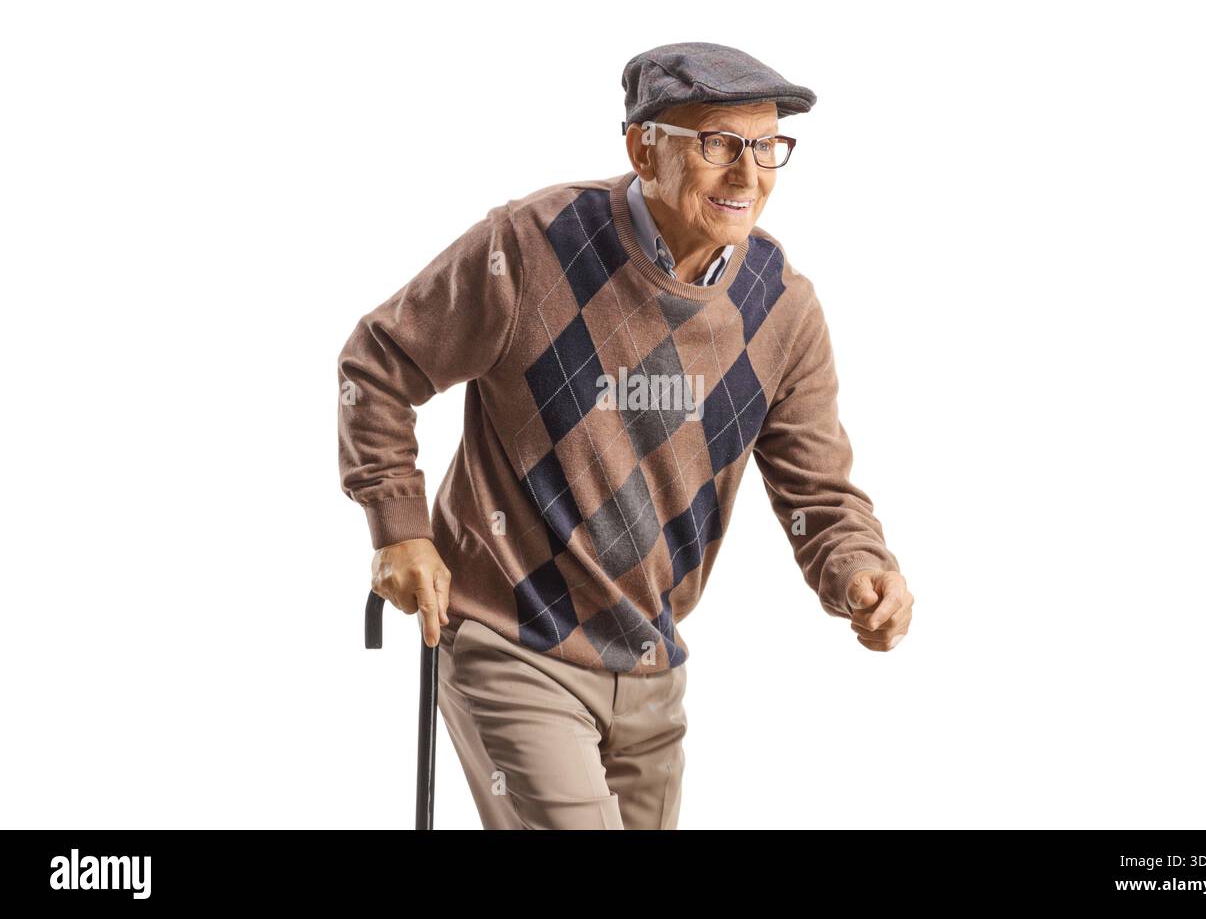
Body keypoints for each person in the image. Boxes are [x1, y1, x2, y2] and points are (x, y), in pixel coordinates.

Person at [337, 41, 915, 829]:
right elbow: (378, 362)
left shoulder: (782, 306)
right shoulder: (528, 247)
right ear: (645, 148)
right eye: (717, 144)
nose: (748, 175)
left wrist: (858, 568)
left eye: (767, 146)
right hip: (513, 640)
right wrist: (401, 529)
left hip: (651, 664)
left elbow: (816, 487)